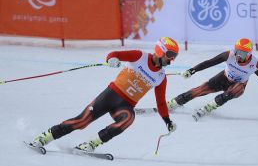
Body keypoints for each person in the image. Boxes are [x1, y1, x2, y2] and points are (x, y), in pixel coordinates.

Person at [30, 37, 179, 152]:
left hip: (125, 105)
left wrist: (167, 121)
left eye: (174, 56)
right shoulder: (139, 56)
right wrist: (112, 59)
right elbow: (115, 54)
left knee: (128, 118)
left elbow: (160, 103)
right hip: (110, 96)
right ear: (160, 50)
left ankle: (90, 145)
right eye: (170, 54)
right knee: (82, 122)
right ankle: (44, 138)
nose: (172, 59)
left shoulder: (161, 76)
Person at [167, 38, 258, 121]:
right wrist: (192, 70)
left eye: (242, 54)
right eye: (237, 51)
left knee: (232, 92)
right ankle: (175, 102)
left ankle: (210, 106)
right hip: (223, 78)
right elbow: (209, 62)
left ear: (248, 54)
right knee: (200, 90)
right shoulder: (229, 55)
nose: (238, 56)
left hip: (238, 85)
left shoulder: (254, 64)